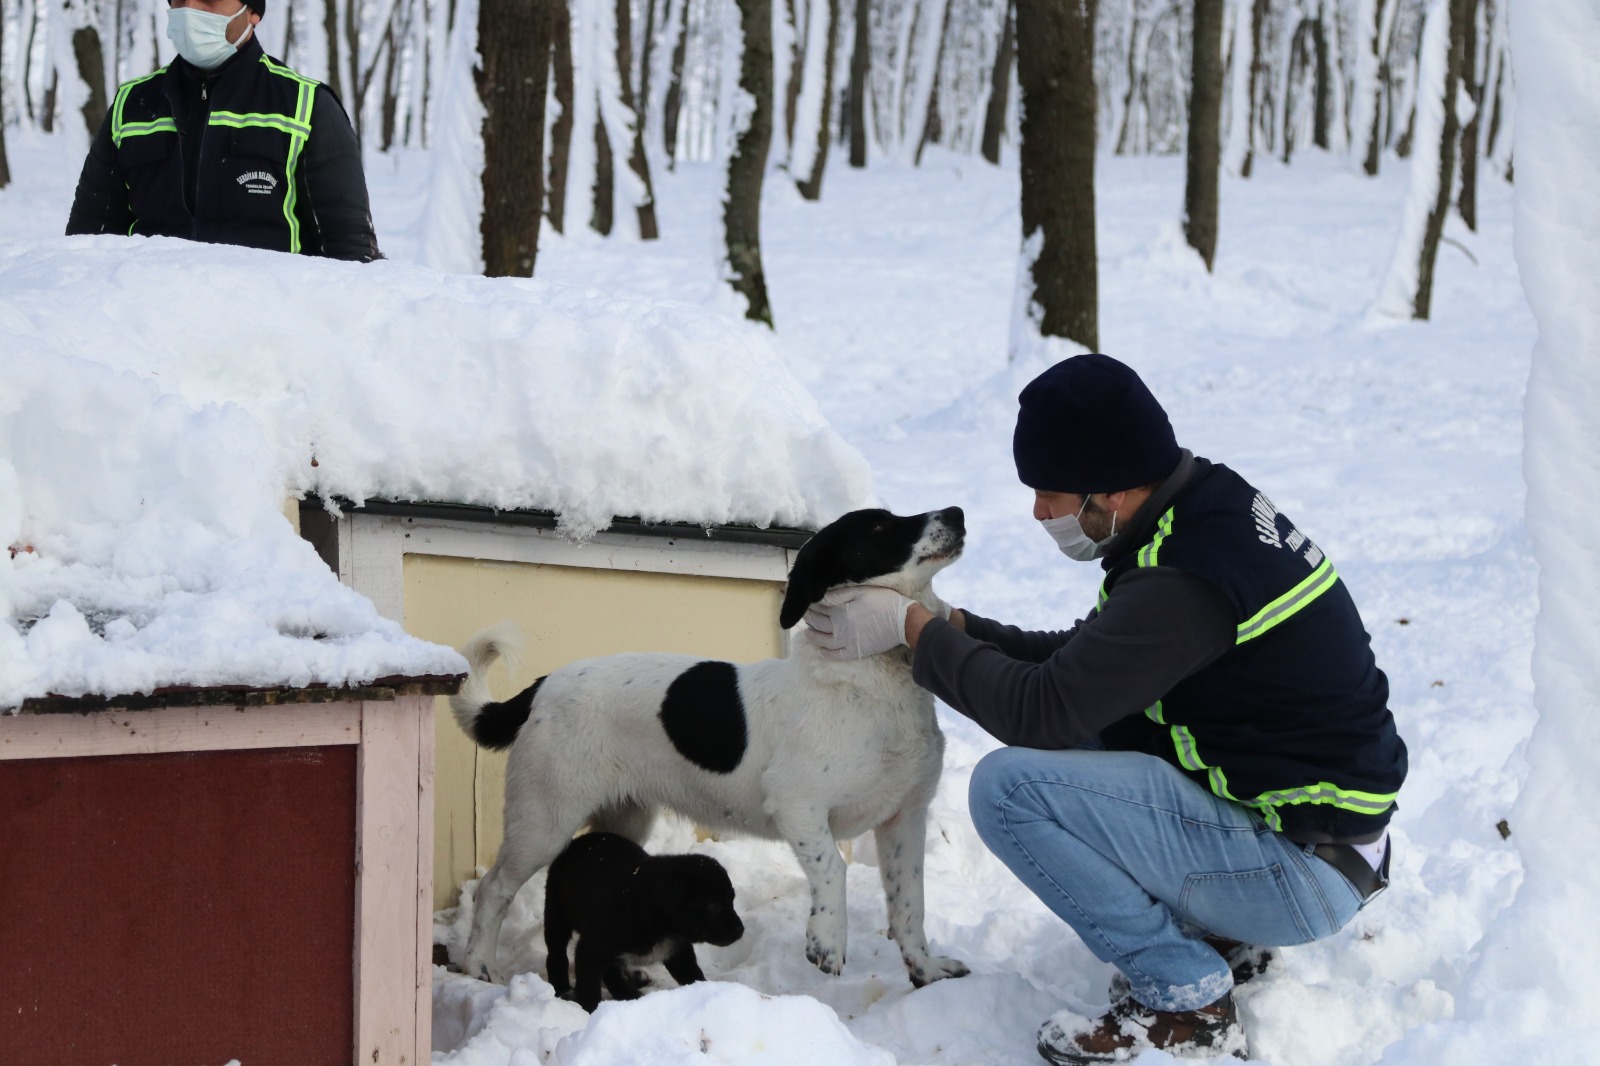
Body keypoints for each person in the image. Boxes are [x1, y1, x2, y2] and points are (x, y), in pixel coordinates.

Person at [803, 353, 1408, 1065]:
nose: (1038, 513)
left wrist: (913, 632)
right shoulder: (1197, 512)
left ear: (1109, 489)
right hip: (1319, 836)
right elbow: (1088, 665)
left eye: (1050, 493)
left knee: (1010, 790)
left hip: (1302, 869)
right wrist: (957, 628)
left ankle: (1187, 1002)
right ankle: (1223, 934)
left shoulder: (1185, 580)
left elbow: (1046, 711)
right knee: (1096, 727)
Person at [66, 0, 379, 261]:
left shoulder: (307, 106)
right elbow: (87, 242)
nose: (190, 10)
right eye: (180, 0)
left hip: (270, 327)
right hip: (149, 326)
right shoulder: (131, 105)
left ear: (252, 12)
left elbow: (350, 254)